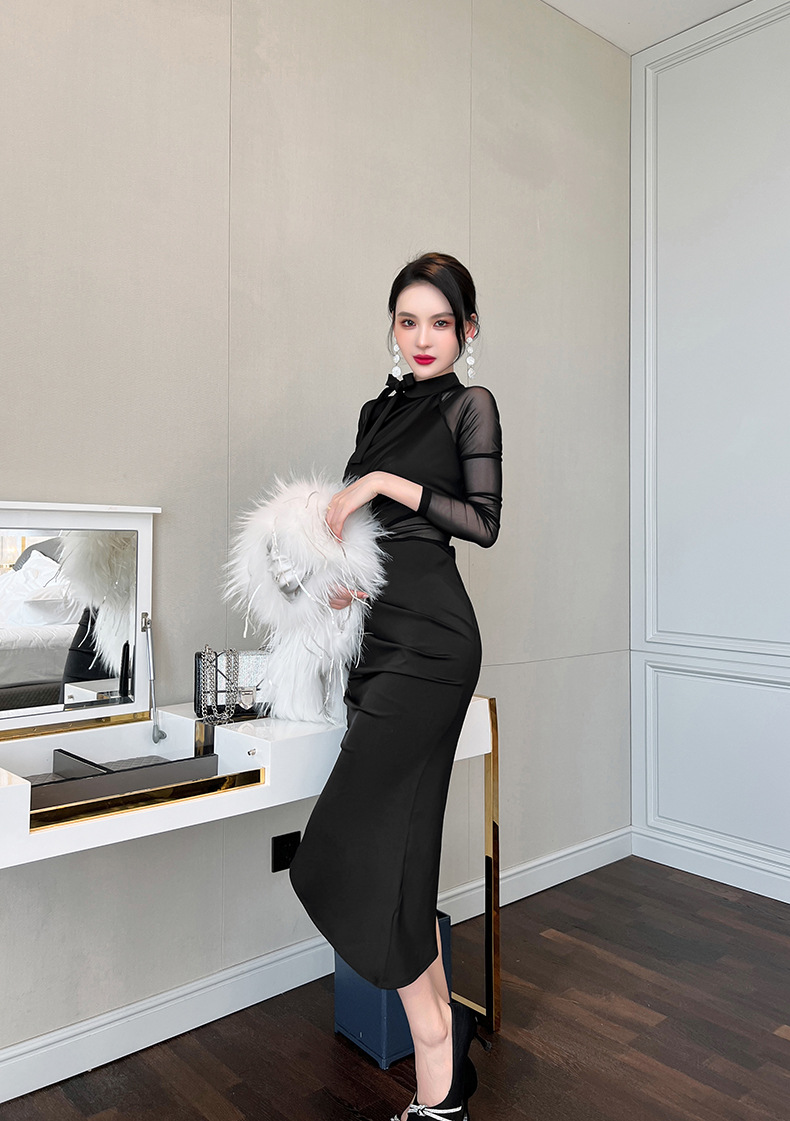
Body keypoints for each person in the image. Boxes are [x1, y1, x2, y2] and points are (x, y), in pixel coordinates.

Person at [288, 252, 503, 1120]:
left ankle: (439, 1049)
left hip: (436, 644)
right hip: (377, 641)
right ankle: (443, 1071)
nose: (422, 337)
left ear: (467, 331)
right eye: (408, 321)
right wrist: (346, 582)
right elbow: (368, 541)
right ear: (393, 327)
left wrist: (380, 482)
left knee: (351, 850)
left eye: (440, 323)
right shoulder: (375, 412)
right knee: (397, 855)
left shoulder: (469, 406)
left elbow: (482, 522)